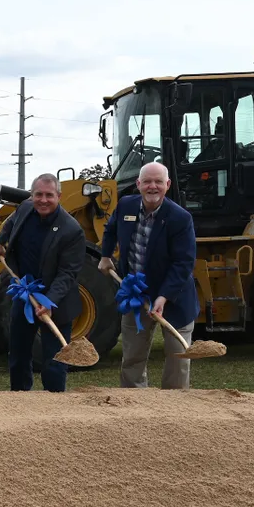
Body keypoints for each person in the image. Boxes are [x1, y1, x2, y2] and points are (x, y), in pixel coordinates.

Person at [99, 161, 199, 389]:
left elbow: (183, 263)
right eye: (147, 182)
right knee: (132, 357)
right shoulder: (125, 206)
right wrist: (105, 256)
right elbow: (111, 229)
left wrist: (163, 297)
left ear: (168, 184)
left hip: (174, 297)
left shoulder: (180, 218)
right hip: (136, 295)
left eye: (158, 182)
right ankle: (136, 407)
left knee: (178, 359)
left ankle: (173, 408)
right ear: (138, 184)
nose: (152, 186)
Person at [0, 173, 85, 392]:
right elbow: (10, 222)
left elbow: (68, 273)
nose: (43, 200)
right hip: (24, 296)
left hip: (56, 302)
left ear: (59, 196)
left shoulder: (72, 230)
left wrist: (50, 301)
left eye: (49, 195)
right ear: (32, 195)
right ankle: (20, 401)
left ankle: (54, 406)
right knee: (18, 356)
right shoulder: (25, 208)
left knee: (55, 362)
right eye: (38, 195)